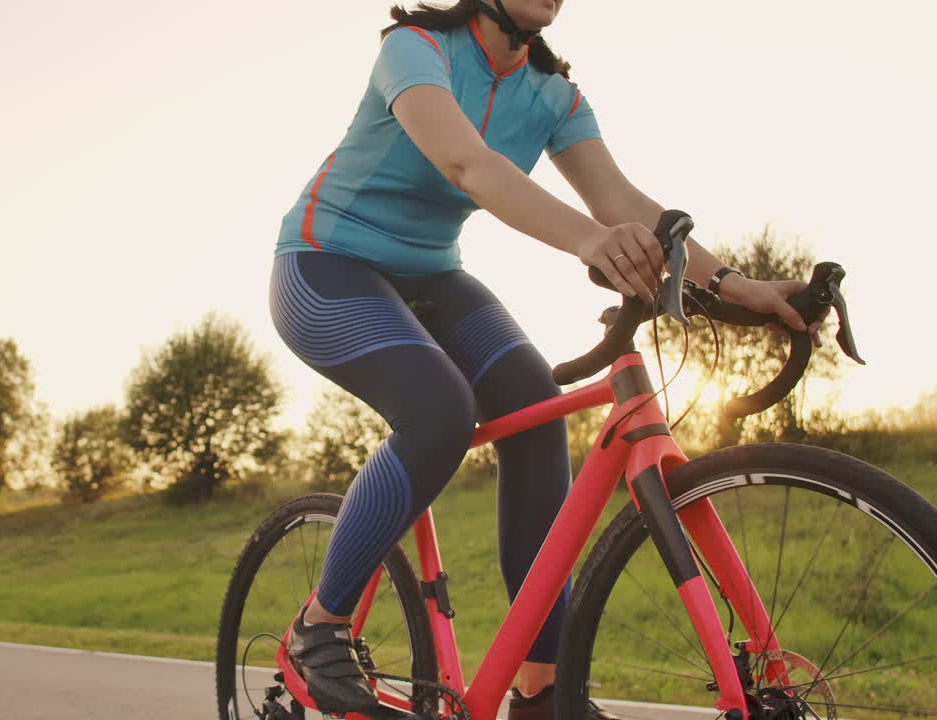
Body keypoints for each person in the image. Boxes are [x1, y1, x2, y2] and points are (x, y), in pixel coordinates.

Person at [269, 2, 818, 718]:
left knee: (535, 409)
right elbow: (467, 163)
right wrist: (590, 241)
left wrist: (738, 287)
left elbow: (621, 199)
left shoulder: (554, 95)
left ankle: (540, 687)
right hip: (325, 264)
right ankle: (319, 626)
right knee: (440, 411)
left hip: (432, 276)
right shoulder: (416, 47)